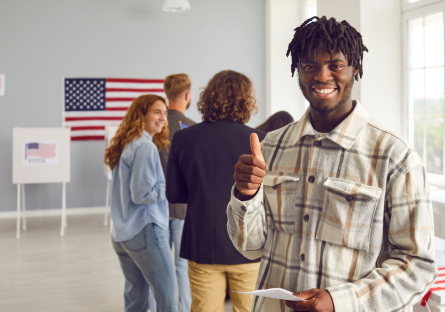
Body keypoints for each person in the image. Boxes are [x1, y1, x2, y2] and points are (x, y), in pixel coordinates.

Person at [227, 16, 437, 312]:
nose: (322, 76)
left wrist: (340, 302)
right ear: (298, 72)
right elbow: (249, 247)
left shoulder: (394, 156)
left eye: (335, 65)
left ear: (355, 69)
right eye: (309, 66)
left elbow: (418, 266)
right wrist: (245, 195)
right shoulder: (271, 147)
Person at [166, 70, 266, 312]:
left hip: (202, 244)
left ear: (207, 98)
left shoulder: (183, 138)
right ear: (246, 101)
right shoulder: (260, 139)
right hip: (248, 245)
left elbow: (174, 195)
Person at [104, 94, 179, 312]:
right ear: (142, 115)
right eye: (157, 112)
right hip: (146, 231)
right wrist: (171, 185)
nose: (163, 118)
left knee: (136, 300)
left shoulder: (126, 144)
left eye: (165, 113)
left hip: (122, 234)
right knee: (168, 298)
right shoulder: (145, 147)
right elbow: (142, 195)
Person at [160, 73, 196, 312]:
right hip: (184, 209)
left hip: (157, 209)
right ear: (187, 95)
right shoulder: (192, 129)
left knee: (160, 268)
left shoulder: (155, 127)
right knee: (182, 268)